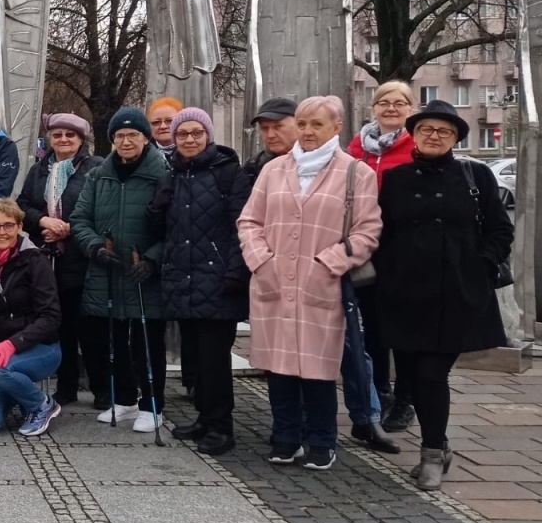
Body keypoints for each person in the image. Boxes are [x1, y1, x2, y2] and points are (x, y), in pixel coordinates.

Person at [375, 100, 512, 489]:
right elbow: (381, 231)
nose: (434, 136)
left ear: (455, 138)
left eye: (444, 131)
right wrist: (386, 272)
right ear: (413, 134)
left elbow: (500, 230)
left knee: (433, 373)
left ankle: (432, 452)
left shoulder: (475, 175)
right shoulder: (397, 178)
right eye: (426, 130)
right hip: (403, 294)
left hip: (456, 292)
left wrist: (481, 265)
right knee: (413, 376)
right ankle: (441, 445)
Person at [238, 96, 380, 471]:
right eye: (302, 124)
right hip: (273, 281)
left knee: (318, 367)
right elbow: (249, 221)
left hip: (322, 283)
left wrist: (330, 262)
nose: (308, 131)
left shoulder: (355, 173)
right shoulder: (274, 170)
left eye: (317, 124)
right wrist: (260, 260)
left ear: (337, 127)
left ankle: (321, 439)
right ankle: (286, 438)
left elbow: (368, 230)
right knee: (279, 367)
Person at [151, 108, 252, 456]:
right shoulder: (174, 175)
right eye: (182, 134)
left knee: (215, 359)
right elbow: (164, 229)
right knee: (195, 358)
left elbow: (244, 227)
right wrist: (156, 208)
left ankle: (222, 427)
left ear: (208, 135)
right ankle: (204, 419)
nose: (189, 139)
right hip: (184, 277)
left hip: (218, 279)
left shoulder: (230, 175)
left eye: (196, 133)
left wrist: (237, 272)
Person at [70, 108, 170, 431]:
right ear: (112, 140)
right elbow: (79, 218)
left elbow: (174, 225)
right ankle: (125, 399)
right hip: (108, 270)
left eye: (133, 135)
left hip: (145, 273)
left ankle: (153, 405)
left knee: (146, 342)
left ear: (145, 138)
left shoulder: (162, 172)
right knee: (113, 340)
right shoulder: (100, 174)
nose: (126, 141)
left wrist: (154, 257)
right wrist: (95, 246)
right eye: (120, 136)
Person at [16, 113, 102, 407]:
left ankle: (101, 387)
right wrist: (43, 221)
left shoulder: (96, 168)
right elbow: (22, 206)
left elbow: (101, 212)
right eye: (57, 135)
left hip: (84, 261)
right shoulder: (40, 170)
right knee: (59, 327)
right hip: (49, 263)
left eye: (70, 135)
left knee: (90, 329)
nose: (63, 140)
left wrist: (67, 229)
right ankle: (66, 386)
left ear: (81, 139)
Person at [348, 80, 418, 433]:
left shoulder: (416, 146)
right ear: (373, 108)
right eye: (384, 102)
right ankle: (381, 392)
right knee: (371, 327)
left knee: (402, 329)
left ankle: (407, 398)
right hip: (365, 250)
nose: (391, 108)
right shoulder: (357, 147)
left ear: (410, 108)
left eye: (399, 103)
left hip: (401, 250)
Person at [0, 197, 63, 436]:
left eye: (9, 225)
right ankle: (19, 392)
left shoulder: (36, 261)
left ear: (20, 227)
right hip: (1, 349)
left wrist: (14, 343)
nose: (2, 232)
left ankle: (41, 404)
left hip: (41, 348)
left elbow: (51, 317)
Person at [242, 97, 300, 182]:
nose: (270, 135)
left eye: (278, 126)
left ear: (299, 125)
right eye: (264, 128)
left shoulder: (318, 160)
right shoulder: (254, 165)